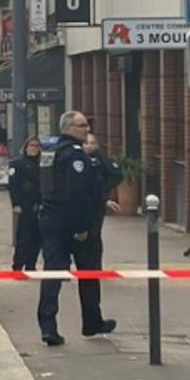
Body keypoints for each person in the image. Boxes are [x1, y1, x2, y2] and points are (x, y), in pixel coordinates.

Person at [36, 111, 116, 346]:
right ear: (69, 128)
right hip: (74, 223)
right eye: (82, 126)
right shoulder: (75, 155)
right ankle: (91, 322)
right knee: (88, 272)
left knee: (53, 274)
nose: (86, 130)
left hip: (51, 220)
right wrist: (81, 228)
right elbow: (77, 194)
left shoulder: (50, 151)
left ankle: (48, 326)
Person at [83, 131, 123, 269]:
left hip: (96, 203)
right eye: (86, 143)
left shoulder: (101, 159)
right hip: (80, 203)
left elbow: (116, 174)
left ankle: (96, 266)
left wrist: (104, 189)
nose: (88, 146)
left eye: (92, 143)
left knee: (94, 235)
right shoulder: (77, 158)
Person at [7, 136, 43, 271]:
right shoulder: (18, 164)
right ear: (26, 147)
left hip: (39, 206)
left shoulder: (42, 165)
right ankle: (18, 265)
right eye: (32, 146)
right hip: (25, 206)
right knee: (24, 238)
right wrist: (16, 204)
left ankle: (31, 265)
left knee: (37, 238)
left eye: (37, 146)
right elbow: (13, 185)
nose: (34, 149)